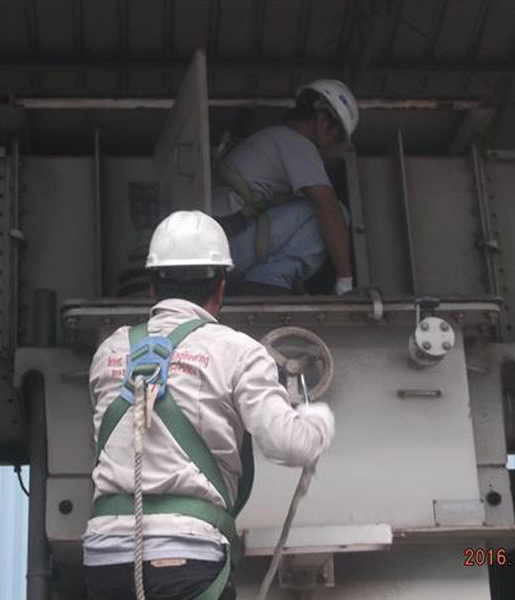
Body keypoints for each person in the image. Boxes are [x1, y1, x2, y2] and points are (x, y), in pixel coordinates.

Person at [82, 210, 335, 600]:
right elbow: (289, 445)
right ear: (220, 288)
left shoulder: (110, 351)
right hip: (186, 557)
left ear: (152, 288)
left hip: (105, 559)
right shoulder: (237, 351)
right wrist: (318, 421)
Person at [212, 79, 359, 296]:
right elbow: (329, 211)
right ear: (323, 122)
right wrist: (345, 283)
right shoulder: (298, 144)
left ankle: (270, 282)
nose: (330, 148)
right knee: (336, 212)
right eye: (336, 139)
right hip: (229, 245)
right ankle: (267, 282)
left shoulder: (275, 138)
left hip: (218, 247)